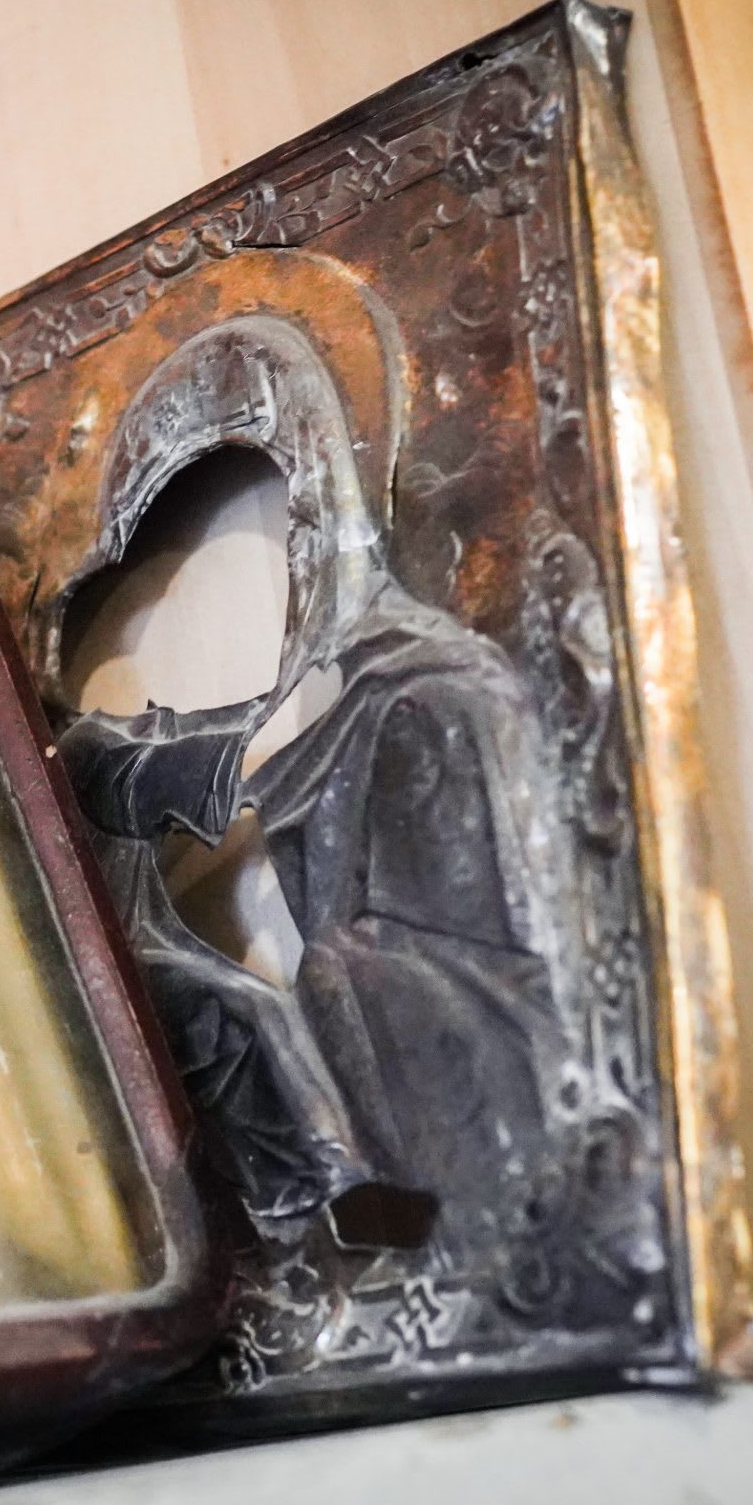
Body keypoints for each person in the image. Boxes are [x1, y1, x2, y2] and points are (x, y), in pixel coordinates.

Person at [55, 314, 580, 1277]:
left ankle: (367, 1219)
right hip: (326, 1017)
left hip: (468, 1021)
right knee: (221, 1011)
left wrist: (206, 754)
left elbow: (263, 751)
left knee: (294, 995)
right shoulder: (115, 751)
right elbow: (211, 758)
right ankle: (314, 1216)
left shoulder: (414, 684)